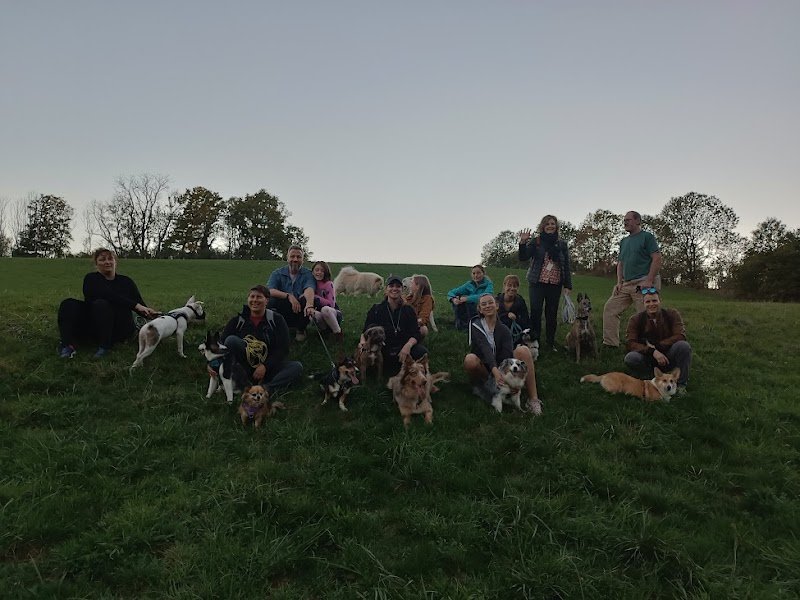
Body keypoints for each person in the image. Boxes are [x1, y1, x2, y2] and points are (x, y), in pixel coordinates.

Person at [57, 248, 158, 359]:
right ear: (96, 264)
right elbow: (105, 294)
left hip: (118, 328)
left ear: (115, 262)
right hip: (94, 324)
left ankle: (104, 346)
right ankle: (67, 345)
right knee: (69, 303)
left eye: (110, 259)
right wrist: (135, 305)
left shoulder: (126, 282)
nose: (107, 262)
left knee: (102, 305)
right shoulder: (91, 279)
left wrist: (151, 314)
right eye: (102, 259)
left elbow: (140, 305)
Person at [463, 294, 542, 414]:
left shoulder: (504, 329)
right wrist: (495, 372)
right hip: (485, 368)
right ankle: (490, 388)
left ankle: (533, 400)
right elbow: (485, 349)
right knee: (470, 360)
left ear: (497, 306)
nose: (488, 306)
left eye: (490, 303)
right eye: (483, 304)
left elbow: (507, 357)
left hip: (501, 368)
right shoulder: (475, 326)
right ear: (479, 309)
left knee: (524, 350)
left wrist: (507, 377)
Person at [221, 285, 303, 394]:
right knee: (231, 340)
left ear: (267, 301)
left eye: (259, 297)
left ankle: (266, 390)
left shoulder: (277, 320)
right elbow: (220, 344)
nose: (255, 300)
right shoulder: (238, 321)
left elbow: (283, 349)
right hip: (244, 368)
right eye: (252, 297)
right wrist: (213, 364)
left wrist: (265, 366)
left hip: (269, 368)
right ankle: (242, 383)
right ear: (248, 299)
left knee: (296, 367)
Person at [602, 211, 662, 347]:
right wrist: (619, 282)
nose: (625, 222)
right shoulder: (624, 241)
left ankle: (650, 346)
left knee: (647, 314)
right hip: (626, 284)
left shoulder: (647, 237)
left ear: (638, 221)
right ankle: (610, 344)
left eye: (628, 220)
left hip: (644, 283)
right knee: (610, 309)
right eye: (624, 220)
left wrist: (649, 280)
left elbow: (657, 258)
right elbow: (620, 264)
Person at [519, 215, 572, 352]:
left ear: (556, 226)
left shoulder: (561, 244)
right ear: (543, 226)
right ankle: (535, 341)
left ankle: (550, 342)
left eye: (553, 223)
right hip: (537, 283)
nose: (550, 226)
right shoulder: (536, 241)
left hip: (555, 284)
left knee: (551, 314)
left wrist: (567, 285)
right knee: (536, 312)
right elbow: (523, 257)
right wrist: (523, 243)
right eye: (547, 224)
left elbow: (566, 265)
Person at [623, 287, 691, 394]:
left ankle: (681, 386)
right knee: (631, 358)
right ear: (643, 304)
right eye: (648, 301)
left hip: (668, 355)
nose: (651, 304)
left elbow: (680, 335)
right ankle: (649, 381)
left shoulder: (672, 314)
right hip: (647, 357)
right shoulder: (635, 319)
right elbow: (630, 343)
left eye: (654, 300)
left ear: (660, 301)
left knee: (683, 346)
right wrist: (652, 351)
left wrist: (658, 346)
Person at [362, 275, 427, 376]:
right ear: (386, 289)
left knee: (421, 352)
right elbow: (366, 330)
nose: (394, 288)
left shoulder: (408, 310)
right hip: (383, 348)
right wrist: (362, 342)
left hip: (403, 349)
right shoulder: (376, 309)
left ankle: (404, 368)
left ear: (402, 289)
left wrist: (408, 346)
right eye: (391, 286)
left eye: (398, 286)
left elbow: (416, 333)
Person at [267, 245, 316, 341]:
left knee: (309, 300)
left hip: (300, 311)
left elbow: (309, 288)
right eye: (292, 256)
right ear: (287, 258)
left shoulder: (308, 274)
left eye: (298, 257)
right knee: (270, 300)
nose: (295, 259)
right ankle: (277, 328)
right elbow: (270, 290)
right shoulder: (277, 273)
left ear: (303, 259)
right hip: (283, 308)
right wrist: (289, 296)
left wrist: (309, 304)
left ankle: (300, 329)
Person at [447, 265, 494, 331]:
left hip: (482, 309)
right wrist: (453, 299)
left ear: (483, 273)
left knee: (468, 303)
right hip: (468, 309)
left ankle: (472, 325)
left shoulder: (488, 284)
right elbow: (451, 292)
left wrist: (467, 298)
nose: (476, 275)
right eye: (474, 273)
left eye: (478, 273)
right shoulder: (469, 284)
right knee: (458, 303)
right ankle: (461, 325)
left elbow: (487, 295)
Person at [310, 260, 343, 342]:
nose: (319, 272)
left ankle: (337, 333)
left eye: (322, 271)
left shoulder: (328, 284)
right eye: (317, 270)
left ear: (326, 273)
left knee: (325, 309)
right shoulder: (310, 286)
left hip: (332, 313)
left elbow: (331, 304)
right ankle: (325, 333)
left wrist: (315, 297)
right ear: (312, 272)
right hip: (319, 314)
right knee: (314, 314)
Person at [495, 274, 531, 347]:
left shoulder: (520, 301)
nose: (512, 288)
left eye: (515, 286)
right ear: (504, 286)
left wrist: (516, 318)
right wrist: (505, 315)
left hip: (516, 333)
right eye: (509, 285)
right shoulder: (496, 300)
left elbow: (526, 321)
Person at [403, 274, 435, 340]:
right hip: (404, 323)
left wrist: (412, 323)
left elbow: (423, 317)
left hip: (416, 324)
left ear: (418, 286)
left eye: (411, 283)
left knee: (423, 329)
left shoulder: (427, 299)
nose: (410, 285)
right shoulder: (408, 297)